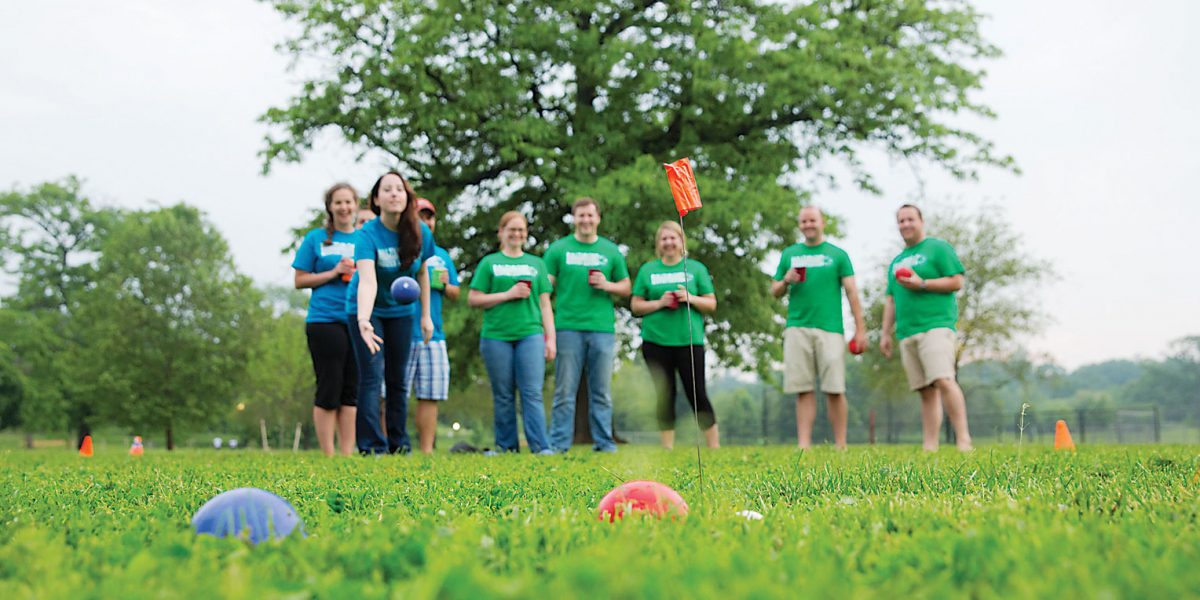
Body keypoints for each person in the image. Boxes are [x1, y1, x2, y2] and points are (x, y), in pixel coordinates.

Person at [349, 171, 435, 455]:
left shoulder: (420, 231)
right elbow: (368, 281)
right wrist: (363, 320)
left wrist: (426, 316)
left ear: (407, 197)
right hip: (367, 310)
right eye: (387, 189)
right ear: (376, 199)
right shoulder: (367, 234)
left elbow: (422, 272)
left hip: (402, 311)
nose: (394, 194)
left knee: (398, 378)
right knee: (372, 377)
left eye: (399, 189)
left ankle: (399, 444)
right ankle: (372, 445)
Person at [769, 206, 866, 450]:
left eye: (812, 220)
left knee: (835, 388)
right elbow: (774, 291)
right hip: (797, 327)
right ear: (799, 225)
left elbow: (852, 292)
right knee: (803, 389)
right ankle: (804, 444)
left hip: (830, 328)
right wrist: (785, 281)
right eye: (803, 221)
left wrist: (860, 328)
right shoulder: (790, 254)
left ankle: (841, 443)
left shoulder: (838, 255)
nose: (808, 225)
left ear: (822, 222)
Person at [879, 204, 973, 451]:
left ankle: (963, 439)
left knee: (943, 380)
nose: (905, 224)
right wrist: (885, 333)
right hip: (907, 331)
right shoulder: (896, 262)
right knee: (924, 391)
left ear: (921, 221)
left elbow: (957, 281)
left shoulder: (938, 248)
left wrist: (922, 283)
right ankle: (930, 446)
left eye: (910, 219)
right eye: (901, 221)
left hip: (936, 325)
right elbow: (891, 299)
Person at [544, 197, 631, 453]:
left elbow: (626, 287)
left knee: (601, 391)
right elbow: (545, 287)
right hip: (567, 326)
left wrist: (608, 285)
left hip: (601, 328)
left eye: (590, 215)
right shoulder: (558, 250)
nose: (586, 220)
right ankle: (559, 444)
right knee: (564, 391)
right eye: (581, 215)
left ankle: (604, 443)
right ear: (574, 218)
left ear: (598, 218)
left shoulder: (611, 251)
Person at [468, 211, 556, 454]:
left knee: (532, 392)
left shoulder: (536, 264)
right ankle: (506, 447)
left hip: (531, 334)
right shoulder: (490, 263)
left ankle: (541, 447)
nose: (517, 234)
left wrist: (551, 339)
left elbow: (545, 304)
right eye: (512, 229)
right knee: (504, 395)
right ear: (501, 233)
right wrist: (507, 295)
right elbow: (474, 299)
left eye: (521, 230)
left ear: (526, 234)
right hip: (496, 336)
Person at [631, 221, 719, 450]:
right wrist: (660, 302)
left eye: (673, 238)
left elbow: (711, 304)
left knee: (697, 393)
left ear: (682, 241)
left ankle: (713, 446)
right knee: (665, 395)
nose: (669, 243)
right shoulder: (648, 270)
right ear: (658, 244)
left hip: (689, 341)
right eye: (664, 239)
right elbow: (636, 306)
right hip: (655, 341)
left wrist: (690, 297)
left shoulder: (696, 269)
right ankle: (667, 447)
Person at [292, 182, 359, 456]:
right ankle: (328, 453)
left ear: (356, 205)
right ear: (330, 207)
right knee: (330, 383)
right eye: (338, 202)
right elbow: (300, 280)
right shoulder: (315, 239)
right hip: (324, 320)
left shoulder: (364, 239)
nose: (344, 207)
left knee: (351, 387)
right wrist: (333, 272)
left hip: (357, 319)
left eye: (348, 202)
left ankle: (346, 454)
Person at [400, 197, 461, 454]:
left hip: (433, 334)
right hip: (401, 330)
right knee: (393, 395)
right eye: (420, 216)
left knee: (430, 393)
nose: (426, 221)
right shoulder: (398, 249)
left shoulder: (442, 256)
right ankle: (394, 446)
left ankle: (426, 450)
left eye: (429, 217)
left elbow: (456, 294)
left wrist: (447, 284)